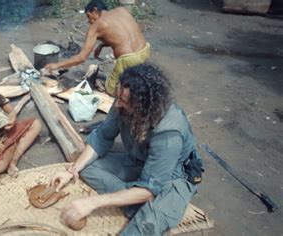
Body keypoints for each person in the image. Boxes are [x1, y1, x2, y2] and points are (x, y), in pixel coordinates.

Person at [48, 63, 203, 235]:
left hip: (173, 175)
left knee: (141, 227)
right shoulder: (123, 100)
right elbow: (102, 137)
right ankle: (135, 198)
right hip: (142, 159)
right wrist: (72, 170)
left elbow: (151, 186)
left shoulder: (169, 132)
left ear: (144, 106)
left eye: (124, 101)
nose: (118, 104)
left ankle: (147, 202)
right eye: (118, 97)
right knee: (85, 165)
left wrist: (93, 202)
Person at [44, 0, 151, 96]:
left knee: (111, 89)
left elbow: (81, 58)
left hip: (128, 59)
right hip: (145, 50)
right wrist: (102, 45)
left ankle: (124, 101)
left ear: (95, 10)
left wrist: (57, 65)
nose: (89, 21)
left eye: (88, 16)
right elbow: (123, 35)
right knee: (136, 78)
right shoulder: (122, 10)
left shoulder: (96, 26)